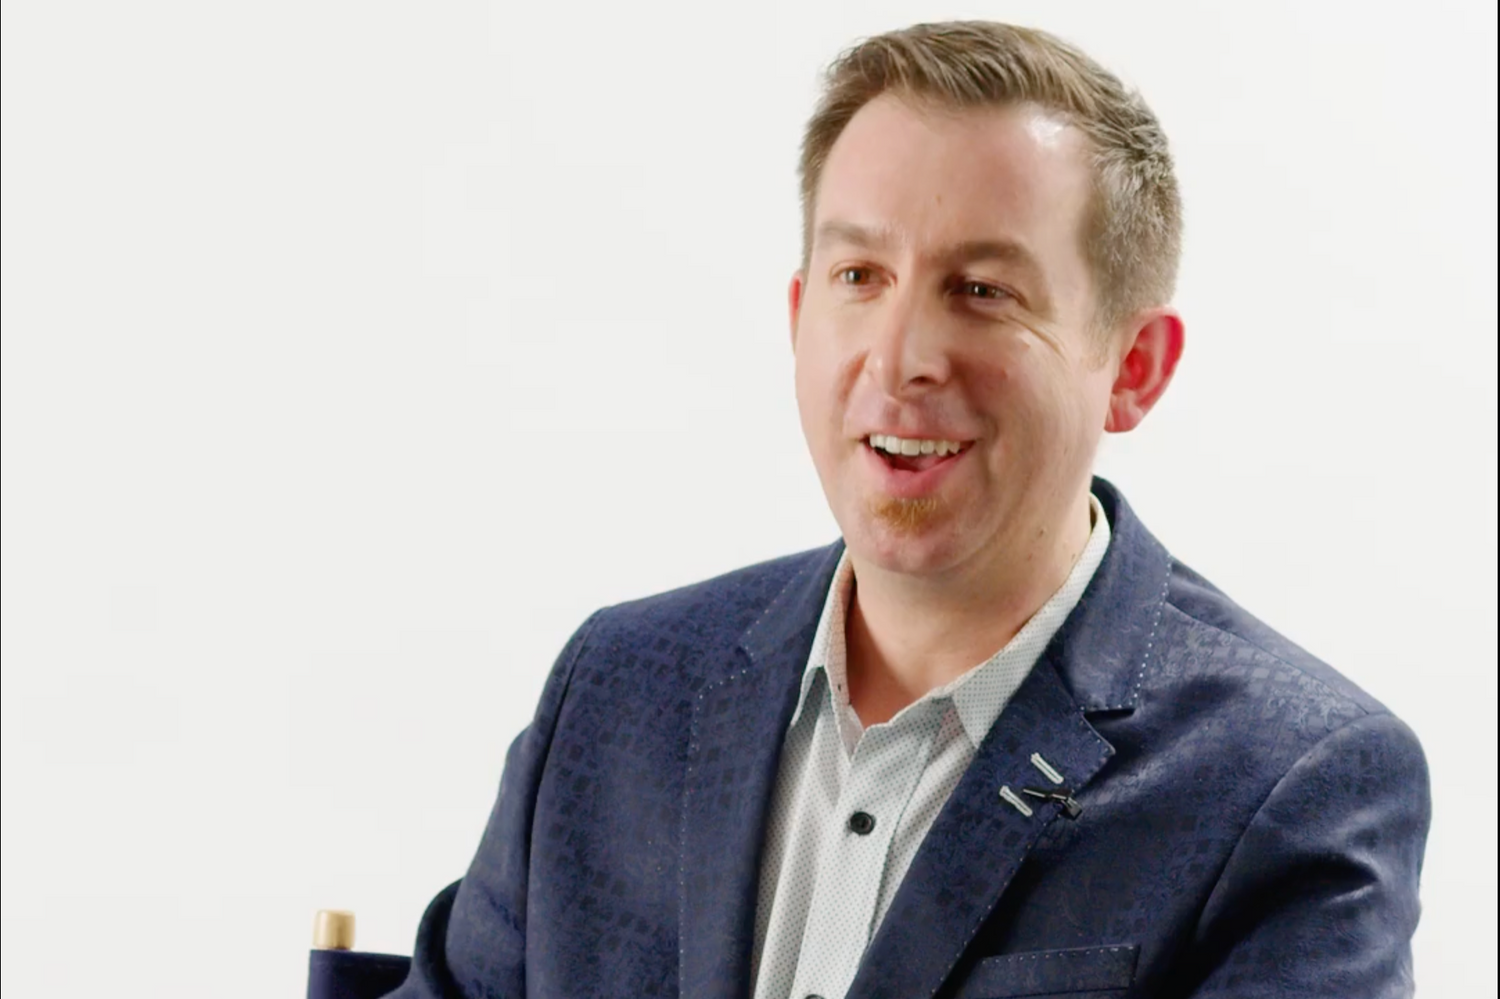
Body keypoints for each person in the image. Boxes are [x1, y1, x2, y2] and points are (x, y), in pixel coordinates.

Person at [386, 21, 1430, 999]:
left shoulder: (1292, 784)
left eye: (982, 290)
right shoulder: (615, 694)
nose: (898, 358)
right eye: (859, 275)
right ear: (800, 318)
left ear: (1134, 368)